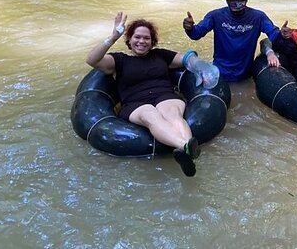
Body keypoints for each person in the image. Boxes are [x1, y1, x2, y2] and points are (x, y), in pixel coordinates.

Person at [86, 11, 208, 177]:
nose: (141, 41)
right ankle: (186, 146)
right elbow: (91, 60)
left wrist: (199, 65)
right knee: (150, 115)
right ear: (129, 39)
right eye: (137, 37)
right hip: (135, 103)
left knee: (172, 114)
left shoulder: (161, 55)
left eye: (146, 38)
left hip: (164, 95)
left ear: (152, 41)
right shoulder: (119, 60)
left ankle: (185, 150)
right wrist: (113, 37)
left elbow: (187, 58)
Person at [183, 0, 281, 82]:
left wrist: (282, 35)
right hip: (220, 73)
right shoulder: (215, 16)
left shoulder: (258, 17)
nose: (237, 1)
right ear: (227, 0)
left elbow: (274, 35)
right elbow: (196, 34)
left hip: (245, 74)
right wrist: (190, 28)